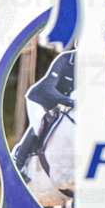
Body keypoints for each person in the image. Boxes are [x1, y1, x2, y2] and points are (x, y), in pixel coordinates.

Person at [12, 49, 75, 181]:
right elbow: (48, 88)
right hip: (39, 99)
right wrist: (70, 101)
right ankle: (18, 164)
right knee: (39, 124)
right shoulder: (65, 60)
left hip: (57, 104)